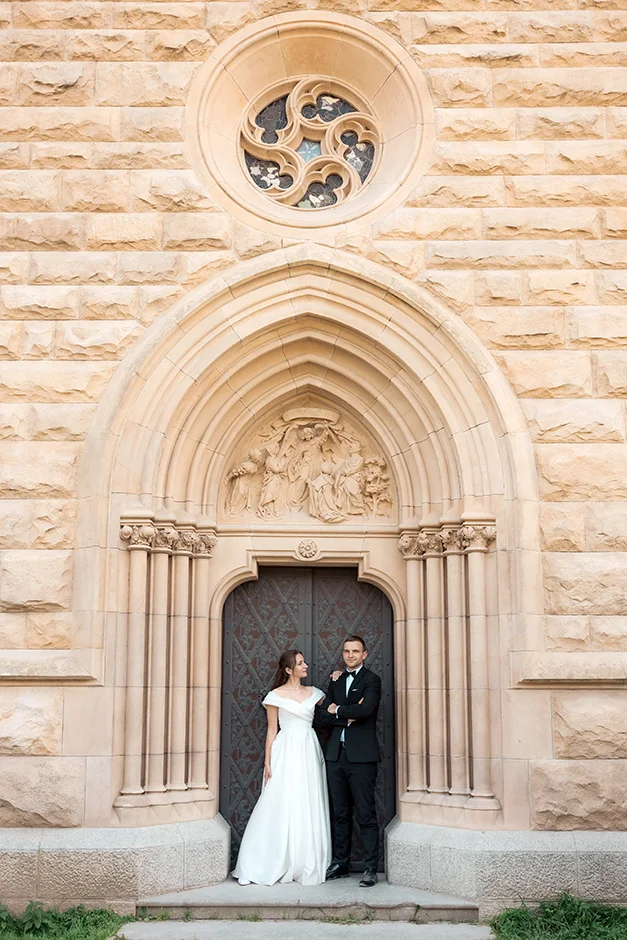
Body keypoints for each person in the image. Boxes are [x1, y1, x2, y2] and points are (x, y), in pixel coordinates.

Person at [233, 650, 331, 886]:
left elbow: (333, 707)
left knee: (307, 799)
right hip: (286, 750)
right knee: (280, 800)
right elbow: (271, 731)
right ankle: (260, 862)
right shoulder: (275, 696)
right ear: (288, 670)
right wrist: (268, 760)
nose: (306, 665)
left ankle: (303, 860)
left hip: (308, 748)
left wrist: (338, 677)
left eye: (304, 661)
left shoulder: (314, 693)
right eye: (300, 663)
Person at [317, 635, 382, 887]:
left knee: (365, 813)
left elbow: (366, 711)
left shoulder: (372, 680)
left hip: (362, 758)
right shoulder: (336, 679)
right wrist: (347, 714)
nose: (351, 655)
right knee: (340, 813)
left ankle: (369, 868)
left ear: (364, 654)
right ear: (342, 654)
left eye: (356, 651)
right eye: (346, 651)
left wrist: (338, 709)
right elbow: (323, 716)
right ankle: (340, 863)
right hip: (335, 756)